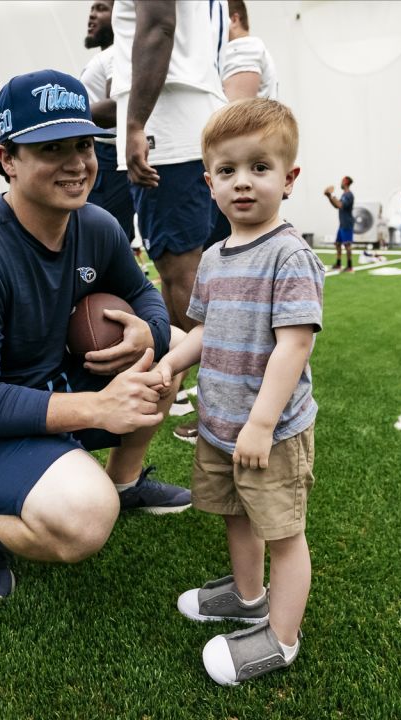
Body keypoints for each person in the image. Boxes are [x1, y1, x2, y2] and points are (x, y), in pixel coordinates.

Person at [0, 70, 194, 604]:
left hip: (51, 385)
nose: (77, 163)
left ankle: (125, 481)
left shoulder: (97, 224)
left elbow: (148, 296)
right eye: (51, 148)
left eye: (83, 144)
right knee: (84, 519)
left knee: (175, 341)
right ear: (8, 159)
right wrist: (96, 407)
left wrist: (146, 332)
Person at [154, 99, 322, 685]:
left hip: (268, 433)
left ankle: (280, 638)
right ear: (209, 182)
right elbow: (205, 330)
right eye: (227, 171)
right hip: (219, 424)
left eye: (260, 167)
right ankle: (249, 597)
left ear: (289, 178)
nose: (242, 182)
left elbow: (293, 346)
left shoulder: (289, 254)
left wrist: (259, 422)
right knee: (235, 515)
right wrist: (169, 364)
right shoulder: (214, 257)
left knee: (282, 533)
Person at [112, 0, 231, 443]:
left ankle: (220, 405)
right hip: (194, 115)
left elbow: (159, 25)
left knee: (183, 275)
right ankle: (200, 388)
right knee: (192, 273)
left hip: (170, 122)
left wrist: (135, 122)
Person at [82, 0, 137, 247]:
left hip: (109, 157)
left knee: (104, 239)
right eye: (92, 9)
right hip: (103, 155)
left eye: (102, 9)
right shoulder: (107, 56)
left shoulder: (118, 53)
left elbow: (118, 107)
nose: (92, 15)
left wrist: (63, 114)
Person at [221, 0, 277, 101]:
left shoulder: (243, 48)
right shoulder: (253, 48)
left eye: (218, 20)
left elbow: (236, 113)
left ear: (234, 20)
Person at [323, 176, 356, 272]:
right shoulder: (344, 195)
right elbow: (336, 205)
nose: (340, 183)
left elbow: (339, 205)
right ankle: (338, 264)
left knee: (347, 245)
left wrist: (331, 194)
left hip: (347, 223)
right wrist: (329, 197)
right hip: (342, 224)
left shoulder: (349, 195)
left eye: (342, 182)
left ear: (345, 183)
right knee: (338, 244)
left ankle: (350, 266)